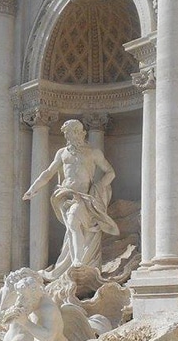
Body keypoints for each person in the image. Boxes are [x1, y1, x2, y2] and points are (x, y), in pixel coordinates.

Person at [23, 119, 119, 278]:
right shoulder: (62, 153)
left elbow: (110, 172)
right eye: (66, 133)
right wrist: (33, 189)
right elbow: (48, 173)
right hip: (64, 194)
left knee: (74, 222)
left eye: (72, 132)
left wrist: (99, 186)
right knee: (72, 227)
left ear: (81, 133)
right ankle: (75, 261)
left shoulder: (93, 152)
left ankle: (77, 261)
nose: (69, 136)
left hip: (83, 196)